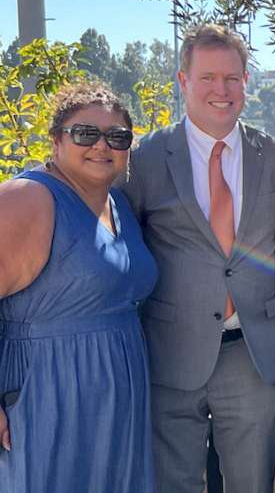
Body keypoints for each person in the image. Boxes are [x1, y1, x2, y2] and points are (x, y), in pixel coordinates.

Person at [122, 23, 275, 493]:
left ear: (246, 82)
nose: (222, 90)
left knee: (252, 484)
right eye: (208, 77)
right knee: (176, 483)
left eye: (233, 78)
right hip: (170, 353)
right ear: (183, 81)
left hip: (251, 355)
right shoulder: (145, 159)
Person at [0, 82, 157, 491]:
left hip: (117, 393)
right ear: (55, 140)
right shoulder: (28, 198)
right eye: (85, 133)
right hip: (47, 389)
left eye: (117, 137)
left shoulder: (117, 202)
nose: (101, 146)